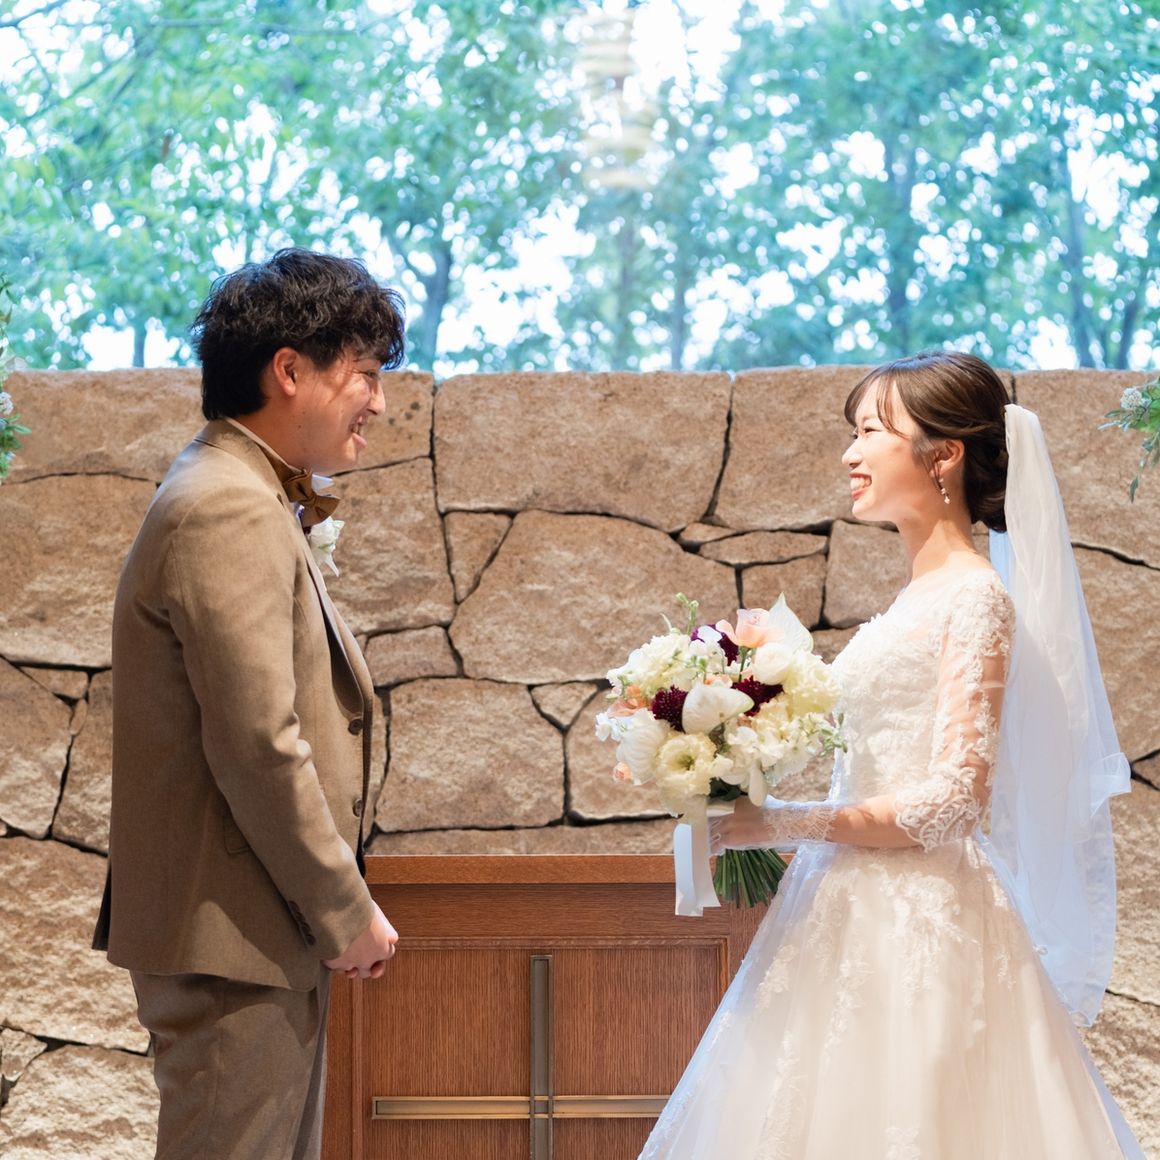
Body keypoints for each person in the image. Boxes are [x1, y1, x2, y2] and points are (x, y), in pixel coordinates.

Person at [639, 351, 1145, 1159]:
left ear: (943, 455)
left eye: (872, 431)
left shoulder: (976, 598)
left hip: (920, 919)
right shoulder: (917, 595)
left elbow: (956, 801)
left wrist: (781, 821)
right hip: (846, 905)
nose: (851, 453)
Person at [92, 248, 406, 1160]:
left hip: (251, 932)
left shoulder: (235, 488)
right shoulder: (226, 504)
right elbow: (259, 743)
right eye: (366, 373)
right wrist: (342, 909)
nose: (380, 402)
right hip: (237, 933)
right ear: (290, 370)